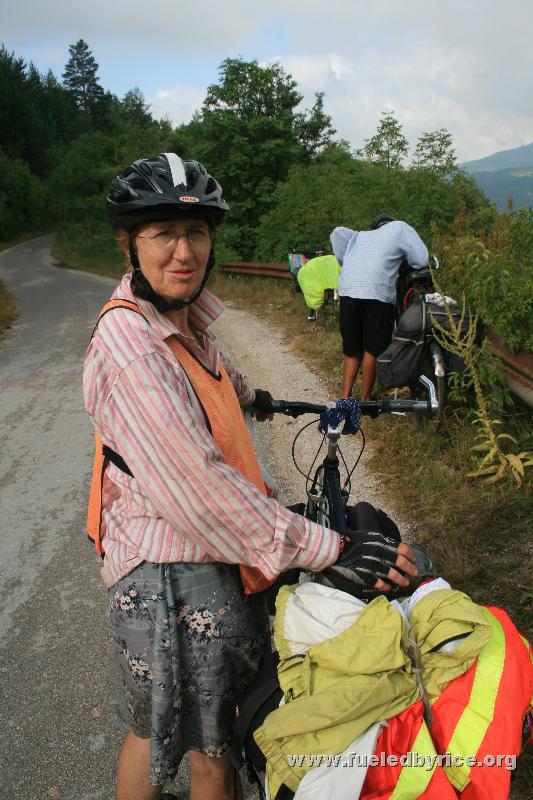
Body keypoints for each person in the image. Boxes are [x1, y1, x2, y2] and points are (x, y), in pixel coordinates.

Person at [83, 154, 418, 800]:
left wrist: (264, 399)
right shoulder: (129, 350)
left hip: (187, 556)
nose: (183, 252)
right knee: (209, 748)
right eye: (162, 235)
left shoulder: (179, 320)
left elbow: (216, 374)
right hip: (168, 573)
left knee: (160, 730)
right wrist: (331, 549)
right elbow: (204, 497)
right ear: (128, 243)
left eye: (198, 233)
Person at [330, 213, 429, 400]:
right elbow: (421, 259)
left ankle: (345, 397)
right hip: (377, 292)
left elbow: (337, 233)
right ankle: (365, 399)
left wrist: (348, 261)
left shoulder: (358, 236)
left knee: (352, 349)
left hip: (348, 289)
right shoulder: (399, 228)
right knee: (372, 348)